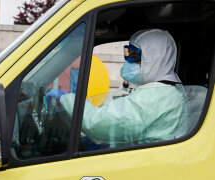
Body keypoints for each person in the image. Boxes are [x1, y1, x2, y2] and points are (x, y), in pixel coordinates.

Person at [59, 29, 189, 147]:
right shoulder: (166, 89)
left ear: (154, 58)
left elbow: (102, 123)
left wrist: (67, 101)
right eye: (127, 53)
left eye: (134, 56)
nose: (128, 61)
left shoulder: (158, 94)